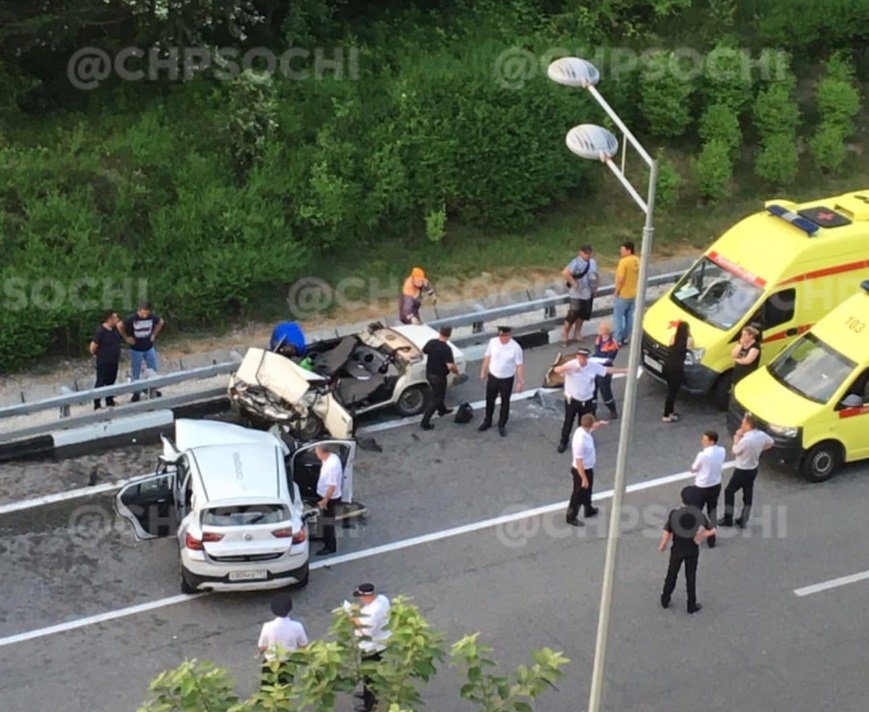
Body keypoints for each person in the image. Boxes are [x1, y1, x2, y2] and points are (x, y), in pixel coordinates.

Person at [553, 347, 626, 453]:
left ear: (587, 358)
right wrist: (568, 369)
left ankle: (582, 443)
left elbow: (606, 370)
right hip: (572, 400)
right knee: (568, 421)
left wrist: (624, 371)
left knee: (584, 424)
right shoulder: (572, 364)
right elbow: (556, 370)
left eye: (584, 358)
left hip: (586, 400)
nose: (582, 360)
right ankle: (563, 442)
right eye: (580, 357)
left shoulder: (592, 366)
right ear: (577, 357)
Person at [659, 485, 716, 614]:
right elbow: (712, 530)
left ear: (682, 499)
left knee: (671, 574)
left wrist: (663, 544)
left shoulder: (674, 514)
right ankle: (691, 604)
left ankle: (665, 598)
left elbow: (668, 530)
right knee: (691, 577)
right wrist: (701, 535)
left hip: (677, 549)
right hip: (692, 550)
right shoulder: (698, 515)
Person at [720, 413, 774, 528]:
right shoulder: (761, 435)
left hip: (741, 469)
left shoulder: (746, 440)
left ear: (748, 425)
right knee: (748, 493)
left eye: (743, 423)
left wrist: (736, 438)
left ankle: (728, 518)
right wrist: (760, 449)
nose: (741, 425)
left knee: (729, 491)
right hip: (753, 468)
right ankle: (744, 519)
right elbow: (771, 442)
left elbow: (734, 451)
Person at [348, 582, 392, 712]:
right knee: (368, 674)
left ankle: (369, 705)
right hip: (382, 642)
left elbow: (365, 632)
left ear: (367, 597)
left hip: (372, 647)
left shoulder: (373, 612)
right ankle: (366, 694)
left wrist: (353, 619)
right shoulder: (382, 600)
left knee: (370, 675)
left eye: (361, 596)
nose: (360, 599)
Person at [478, 326, 524, 437]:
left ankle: (502, 424)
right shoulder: (493, 342)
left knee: (505, 402)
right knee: (490, 399)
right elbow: (487, 356)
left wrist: (520, 381)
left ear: (509, 335)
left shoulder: (515, 348)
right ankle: (487, 420)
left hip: (507, 378)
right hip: (493, 376)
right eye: (500, 335)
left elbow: (519, 365)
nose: (501, 338)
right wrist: (483, 370)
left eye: (504, 336)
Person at [117, 300, 164, 403]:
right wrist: (126, 338)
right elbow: (119, 325)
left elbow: (160, 322)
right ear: (139, 310)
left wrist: (154, 334)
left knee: (153, 369)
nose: (144, 316)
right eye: (143, 313)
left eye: (146, 313)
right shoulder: (132, 318)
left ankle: (153, 390)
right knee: (136, 372)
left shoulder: (152, 317)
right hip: (136, 348)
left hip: (149, 346)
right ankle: (136, 392)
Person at [566, 413, 608, 526]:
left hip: (588, 468)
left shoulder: (583, 430)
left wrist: (599, 424)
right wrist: (583, 478)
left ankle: (588, 509)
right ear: (589, 425)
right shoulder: (581, 441)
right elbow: (579, 461)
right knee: (578, 494)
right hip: (581, 470)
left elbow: (592, 428)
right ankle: (571, 516)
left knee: (588, 491)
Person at [258, 592, 308, 686]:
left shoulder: (267, 626)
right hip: (288, 663)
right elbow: (303, 645)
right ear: (290, 609)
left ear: (273, 610)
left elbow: (262, 646)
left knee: (267, 688)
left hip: (271, 663)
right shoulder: (297, 626)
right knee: (285, 689)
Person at [690, 430, 726, 548]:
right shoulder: (721, 451)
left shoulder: (703, 455)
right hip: (715, 484)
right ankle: (712, 539)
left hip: (702, 486)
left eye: (705, 439)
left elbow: (694, 469)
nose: (702, 441)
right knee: (712, 511)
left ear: (711, 441)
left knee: (695, 511)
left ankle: (694, 534)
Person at [420, 325, 460, 430]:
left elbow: (424, 351)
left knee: (438, 393)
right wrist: (457, 372)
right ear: (449, 335)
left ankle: (442, 410)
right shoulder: (446, 349)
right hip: (439, 377)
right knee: (437, 398)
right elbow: (450, 366)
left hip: (429, 374)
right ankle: (425, 422)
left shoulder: (432, 342)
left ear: (440, 332)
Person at [561, 244, 599, 346]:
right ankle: (565, 334)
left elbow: (596, 275)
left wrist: (595, 287)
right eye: (585, 253)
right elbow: (565, 273)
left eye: (589, 253)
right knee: (573, 314)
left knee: (583, 314)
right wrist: (574, 284)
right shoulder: (576, 262)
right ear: (581, 252)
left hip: (588, 291)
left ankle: (577, 333)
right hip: (577, 293)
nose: (587, 255)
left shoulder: (593, 262)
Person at [315, 444, 343, 556]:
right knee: (323, 519)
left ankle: (330, 546)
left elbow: (332, 486)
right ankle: (323, 537)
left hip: (330, 498)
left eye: (317, 452)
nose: (316, 454)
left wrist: (324, 501)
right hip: (325, 495)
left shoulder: (332, 466)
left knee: (328, 523)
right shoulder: (330, 458)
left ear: (323, 453)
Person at [89, 310, 121, 410]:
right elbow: (93, 347)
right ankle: (97, 403)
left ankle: (109, 400)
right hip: (104, 361)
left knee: (111, 381)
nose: (117, 320)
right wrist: (99, 354)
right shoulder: (100, 331)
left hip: (114, 360)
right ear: (109, 319)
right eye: (115, 318)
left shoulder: (115, 329)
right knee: (100, 382)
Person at [662, 321, 693, 422]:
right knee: (673, 392)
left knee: (670, 390)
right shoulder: (688, 340)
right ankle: (667, 414)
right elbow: (691, 347)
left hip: (668, 365)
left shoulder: (673, 338)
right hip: (677, 368)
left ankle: (670, 412)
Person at [612, 241, 640, 346]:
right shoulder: (637, 260)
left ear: (629, 250)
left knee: (618, 317)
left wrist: (616, 292)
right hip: (633, 293)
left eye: (623, 249)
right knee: (629, 316)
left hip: (623, 294)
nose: (621, 251)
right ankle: (626, 337)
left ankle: (617, 338)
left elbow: (621, 279)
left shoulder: (624, 262)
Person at [592, 320, 620, 420]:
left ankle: (612, 409)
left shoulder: (613, 342)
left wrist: (603, 358)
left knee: (606, 392)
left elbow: (611, 356)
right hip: (596, 367)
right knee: (592, 390)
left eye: (600, 328)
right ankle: (592, 412)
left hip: (605, 369)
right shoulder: (598, 339)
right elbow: (596, 352)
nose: (598, 330)